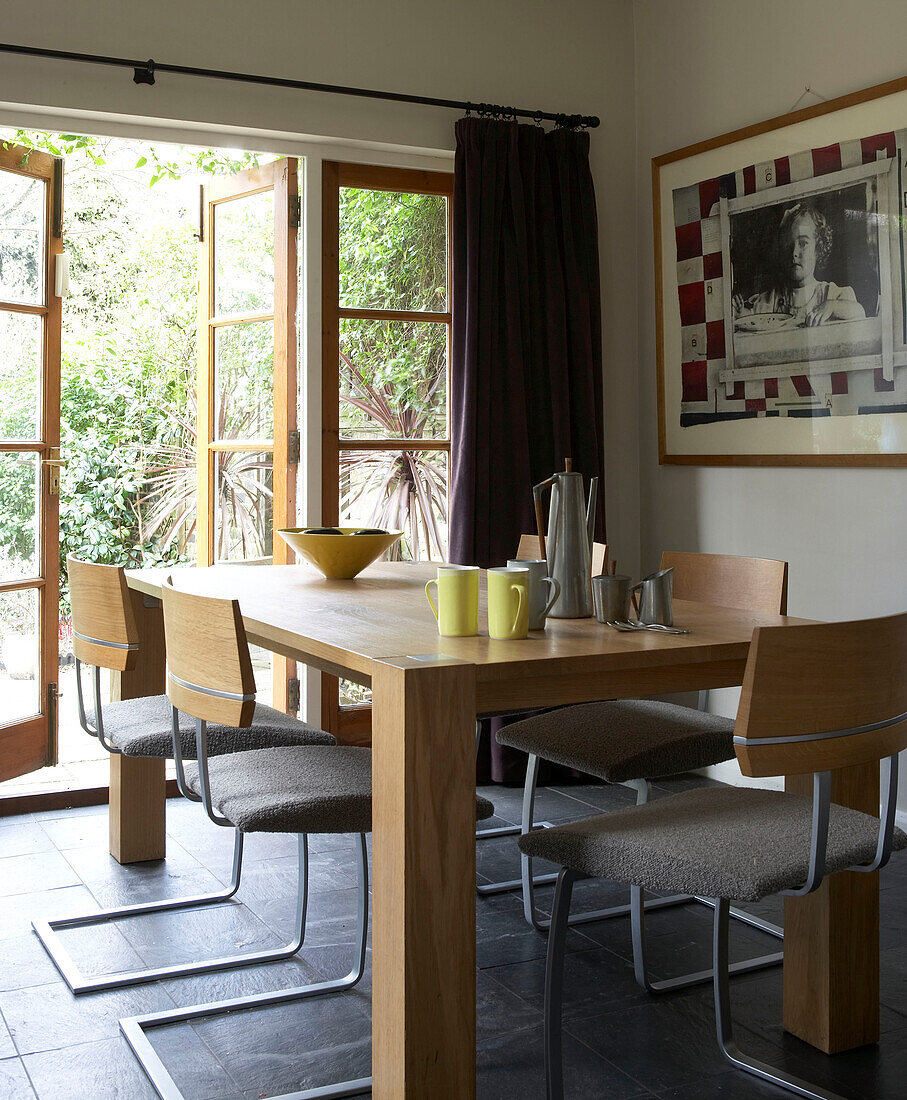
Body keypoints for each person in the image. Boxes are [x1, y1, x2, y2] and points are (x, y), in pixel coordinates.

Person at [733, 201, 865, 327]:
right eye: (788, 245)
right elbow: (753, 321)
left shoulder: (830, 293)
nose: (794, 252)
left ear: (818, 249)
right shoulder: (771, 299)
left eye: (803, 243)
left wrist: (833, 306)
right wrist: (741, 313)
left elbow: (859, 311)